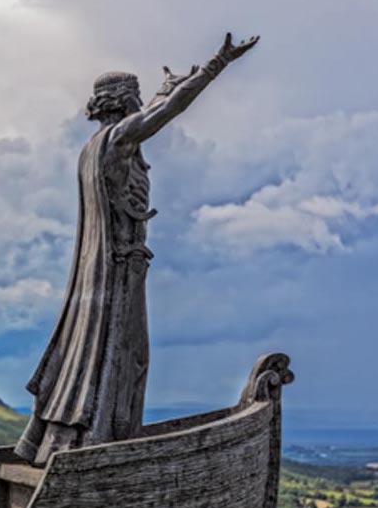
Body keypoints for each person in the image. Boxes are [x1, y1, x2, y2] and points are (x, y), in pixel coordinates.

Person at [14, 32, 259, 466]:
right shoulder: (118, 140)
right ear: (125, 101)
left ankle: (65, 440)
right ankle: (100, 443)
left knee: (97, 353)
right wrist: (217, 64)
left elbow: (155, 110)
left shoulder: (94, 147)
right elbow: (167, 111)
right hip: (120, 270)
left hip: (102, 270)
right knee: (127, 357)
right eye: (138, 96)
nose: (143, 103)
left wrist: (166, 87)